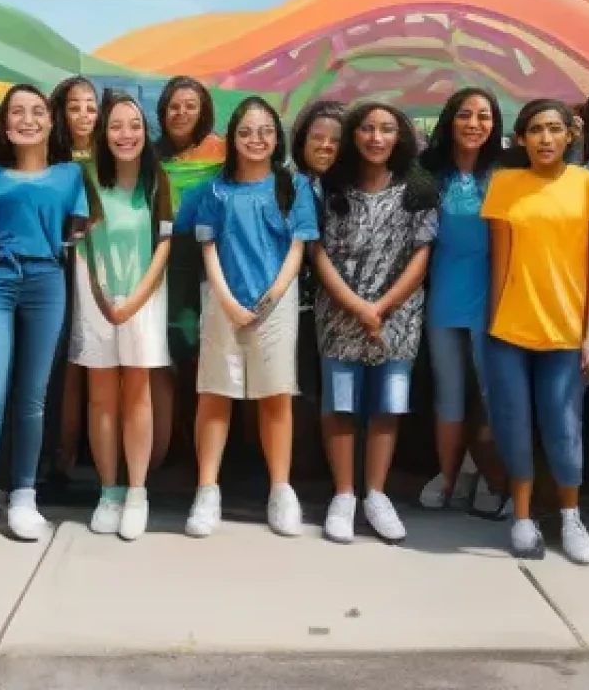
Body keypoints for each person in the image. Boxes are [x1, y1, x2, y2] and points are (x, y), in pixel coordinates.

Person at [480, 99, 589, 564]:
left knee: (564, 427)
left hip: (566, 331)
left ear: (569, 135)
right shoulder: (504, 184)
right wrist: (494, 328)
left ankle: (571, 517)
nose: (545, 138)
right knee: (513, 426)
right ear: (520, 139)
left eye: (554, 129)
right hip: (509, 331)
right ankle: (521, 517)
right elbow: (500, 263)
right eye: (535, 129)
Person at [185, 96, 318, 539]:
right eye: (245, 132)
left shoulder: (293, 187)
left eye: (265, 131)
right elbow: (207, 245)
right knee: (214, 394)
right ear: (232, 139)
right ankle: (207, 489)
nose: (255, 140)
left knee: (276, 395)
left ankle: (281, 489)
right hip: (223, 301)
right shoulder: (215, 190)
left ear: (276, 137)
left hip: (276, 304)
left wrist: (272, 297)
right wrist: (226, 298)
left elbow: (298, 246)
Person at [0, 84, 89, 540]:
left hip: (46, 281)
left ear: (51, 122)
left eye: (37, 112)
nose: (28, 119)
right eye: (17, 112)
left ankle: (23, 494)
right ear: (4, 122)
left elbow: (79, 231)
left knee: (33, 397)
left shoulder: (70, 176)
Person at [313, 102, 438, 544]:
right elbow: (317, 251)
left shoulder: (418, 189)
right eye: (367, 128)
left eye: (386, 129)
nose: (376, 138)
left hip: (398, 317)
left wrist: (382, 307)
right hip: (339, 313)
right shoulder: (329, 187)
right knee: (341, 404)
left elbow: (422, 256)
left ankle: (376, 494)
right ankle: (344, 495)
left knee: (388, 404)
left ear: (400, 136)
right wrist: (355, 305)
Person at [72, 94, 172, 541]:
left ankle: (137, 492)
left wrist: (134, 299)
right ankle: (108, 491)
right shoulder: (86, 176)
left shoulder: (157, 179)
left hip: (145, 296)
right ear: (102, 132)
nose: (125, 135)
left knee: (137, 396)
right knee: (100, 398)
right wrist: (102, 297)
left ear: (145, 131)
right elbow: (83, 244)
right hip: (95, 295)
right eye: (116, 126)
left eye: (134, 125)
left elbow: (165, 244)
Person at [419, 87, 509, 517]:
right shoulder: (428, 173)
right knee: (449, 390)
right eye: (465, 115)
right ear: (450, 121)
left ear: (495, 125)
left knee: (494, 392)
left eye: (484, 116)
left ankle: (491, 475)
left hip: (495, 295)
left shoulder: (508, 172)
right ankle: (448, 474)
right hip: (443, 293)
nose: (474, 124)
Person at [156, 77, 226, 468]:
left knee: (205, 359)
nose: (181, 113)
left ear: (204, 111)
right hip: (164, 265)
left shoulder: (225, 154)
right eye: (174, 106)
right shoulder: (151, 155)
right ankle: (168, 447)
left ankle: (208, 456)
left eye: (190, 105)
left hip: (210, 264)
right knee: (165, 357)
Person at [50, 76, 99, 480]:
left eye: (91, 106)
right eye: (75, 105)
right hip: (60, 266)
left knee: (97, 359)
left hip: (103, 268)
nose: (84, 114)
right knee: (66, 359)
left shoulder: (113, 155)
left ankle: (96, 453)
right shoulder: (51, 157)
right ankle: (62, 452)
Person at [289, 100, 345, 423]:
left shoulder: (350, 189)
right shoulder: (292, 185)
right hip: (302, 306)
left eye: (336, 140)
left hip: (344, 311)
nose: (326, 146)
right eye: (318, 138)